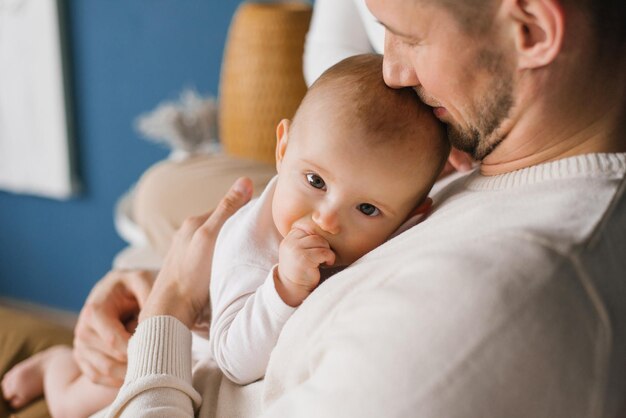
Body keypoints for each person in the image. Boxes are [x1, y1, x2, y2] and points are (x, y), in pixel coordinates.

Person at [3, 0, 625, 416]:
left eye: (408, 36)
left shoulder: (486, 315)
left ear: (533, 31)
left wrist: (170, 308)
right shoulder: (481, 163)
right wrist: (170, 300)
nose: (392, 70)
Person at [0, 54, 449, 416]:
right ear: (283, 148)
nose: (328, 220)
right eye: (314, 182)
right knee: (75, 405)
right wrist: (284, 288)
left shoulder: (396, 235)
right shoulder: (250, 246)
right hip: (182, 349)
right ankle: (55, 367)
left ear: (411, 216)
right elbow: (233, 357)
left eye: (367, 209)